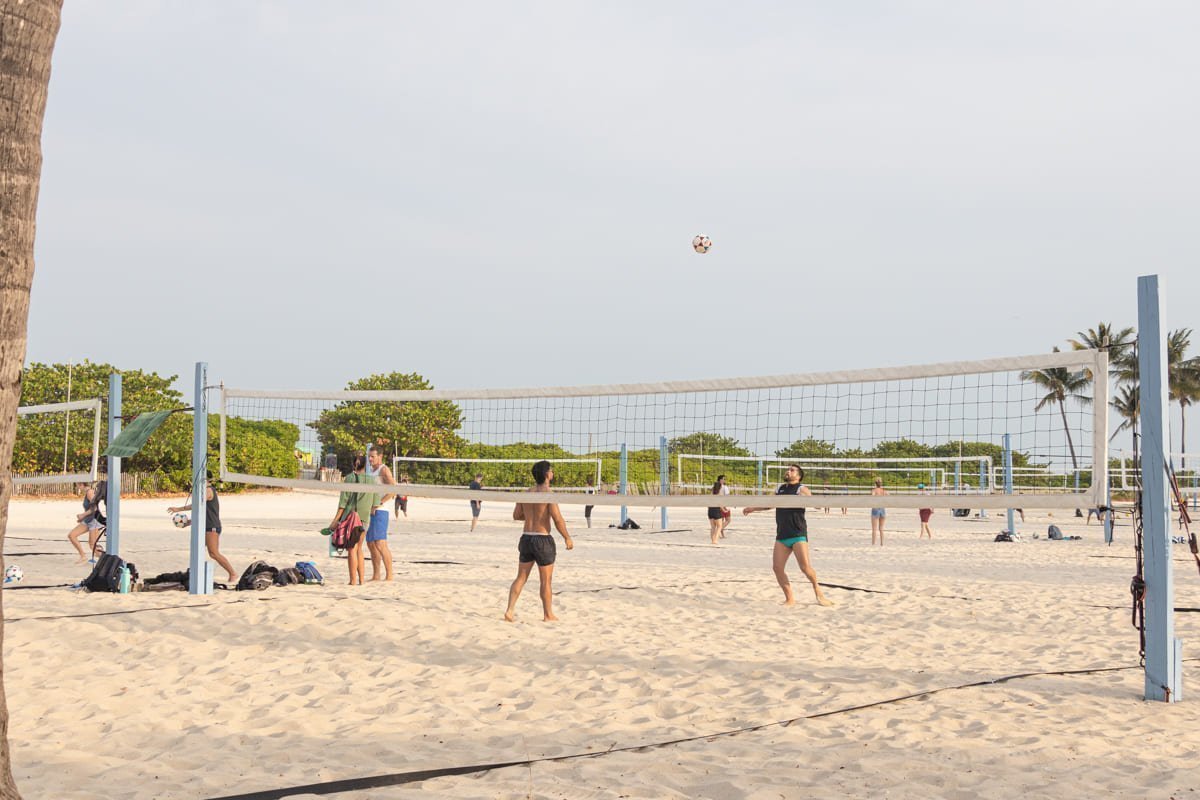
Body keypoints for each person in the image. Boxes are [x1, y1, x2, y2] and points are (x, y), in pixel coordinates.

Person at [742, 464, 833, 607]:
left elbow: (815, 504)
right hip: (782, 534)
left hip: (797, 533)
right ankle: (790, 599)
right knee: (777, 568)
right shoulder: (780, 488)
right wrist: (753, 508)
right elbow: (769, 504)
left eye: (792, 470)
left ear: (799, 476)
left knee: (805, 568)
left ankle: (817, 589)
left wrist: (817, 502)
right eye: (788, 469)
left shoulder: (801, 489)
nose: (788, 471)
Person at [505, 460, 574, 622]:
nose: (553, 473)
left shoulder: (525, 493)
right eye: (551, 470)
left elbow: (516, 516)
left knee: (521, 577)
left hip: (526, 538)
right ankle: (548, 614)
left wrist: (531, 517)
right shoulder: (548, 494)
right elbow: (557, 520)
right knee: (546, 581)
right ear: (546, 474)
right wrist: (567, 537)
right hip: (542, 540)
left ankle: (509, 610)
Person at [168, 474, 236, 585]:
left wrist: (178, 509)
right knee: (198, 550)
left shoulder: (208, 491)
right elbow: (202, 512)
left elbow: (196, 505)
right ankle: (196, 575)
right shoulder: (203, 491)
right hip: (205, 526)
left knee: (214, 553)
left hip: (212, 527)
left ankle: (233, 573)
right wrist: (189, 522)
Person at [327, 454, 374, 585]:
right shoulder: (371, 480)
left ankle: (353, 580)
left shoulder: (349, 478)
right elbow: (375, 503)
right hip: (365, 517)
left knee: (352, 549)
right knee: (359, 548)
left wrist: (335, 520)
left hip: (351, 517)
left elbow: (343, 503)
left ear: (354, 464)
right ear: (366, 465)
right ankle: (362, 580)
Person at [363, 446, 397, 581]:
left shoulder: (384, 469)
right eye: (369, 456)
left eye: (373, 456)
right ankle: (376, 575)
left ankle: (389, 575)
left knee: (380, 543)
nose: (370, 459)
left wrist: (379, 503)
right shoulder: (370, 470)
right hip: (369, 510)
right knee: (371, 544)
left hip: (381, 511)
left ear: (380, 456)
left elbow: (393, 489)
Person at [67, 473, 107, 563]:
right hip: (88, 520)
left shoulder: (90, 492)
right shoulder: (87, 493)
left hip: (95, 520)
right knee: (72, 535)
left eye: (77, 485)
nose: (76, 487)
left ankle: (104, 559)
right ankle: (83, 556)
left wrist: (83, 515)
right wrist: (82, 518)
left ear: (81, 484)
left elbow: (95, 508)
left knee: (92, 545)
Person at [707, 478, 727, 545]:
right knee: (719, 526)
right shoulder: (719, 494)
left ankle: (712, 540)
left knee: (713, 527)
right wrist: (724, 510)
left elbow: (708, 503)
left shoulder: (711, 494)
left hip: (710, 510)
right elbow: (720, 504)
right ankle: (715, 540)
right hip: (716, 510)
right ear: (720, 487)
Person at [870, 477, 887, 546]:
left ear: (875, 483)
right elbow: (889, 497)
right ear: (881, 483)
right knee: (881, 528)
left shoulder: (874, 490)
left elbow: (872, 497)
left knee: (874, 529)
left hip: (875, 508)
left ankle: (873, 544)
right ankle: (882, 543)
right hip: (882, 509)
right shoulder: (884, 491)